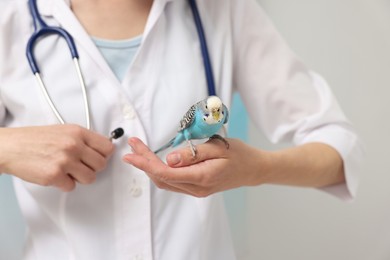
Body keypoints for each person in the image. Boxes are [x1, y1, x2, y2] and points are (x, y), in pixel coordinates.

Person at [0, 0, 362, 259]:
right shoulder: (10, 16)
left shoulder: (223, 10)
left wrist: (256, 168)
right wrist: (6, 148)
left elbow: (338, 146)